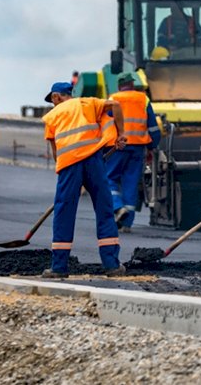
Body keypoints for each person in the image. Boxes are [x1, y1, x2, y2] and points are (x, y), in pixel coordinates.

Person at [41, 82, 128, 278]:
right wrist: (121, 133)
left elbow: (56, 154)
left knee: (64, 212)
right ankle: (112, 265)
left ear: (56, 97)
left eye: (53, 100)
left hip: (69, 165)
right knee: (105, 209)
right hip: (94, 161)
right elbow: (115, 105)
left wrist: (70, 179)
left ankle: (59, 267)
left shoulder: (52, 116)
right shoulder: (87, 103)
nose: (53, 104)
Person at [106, 73, 161, 233]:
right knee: (131, 183)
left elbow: (107, 123)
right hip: (138, 147)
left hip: (117, 146)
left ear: (119, 86)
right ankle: (127, 224)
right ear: (132, 84)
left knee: (109, 178)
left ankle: (117, 207)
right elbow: (153, 127)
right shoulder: (143, 99)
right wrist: (152, 146)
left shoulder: (113, 98)